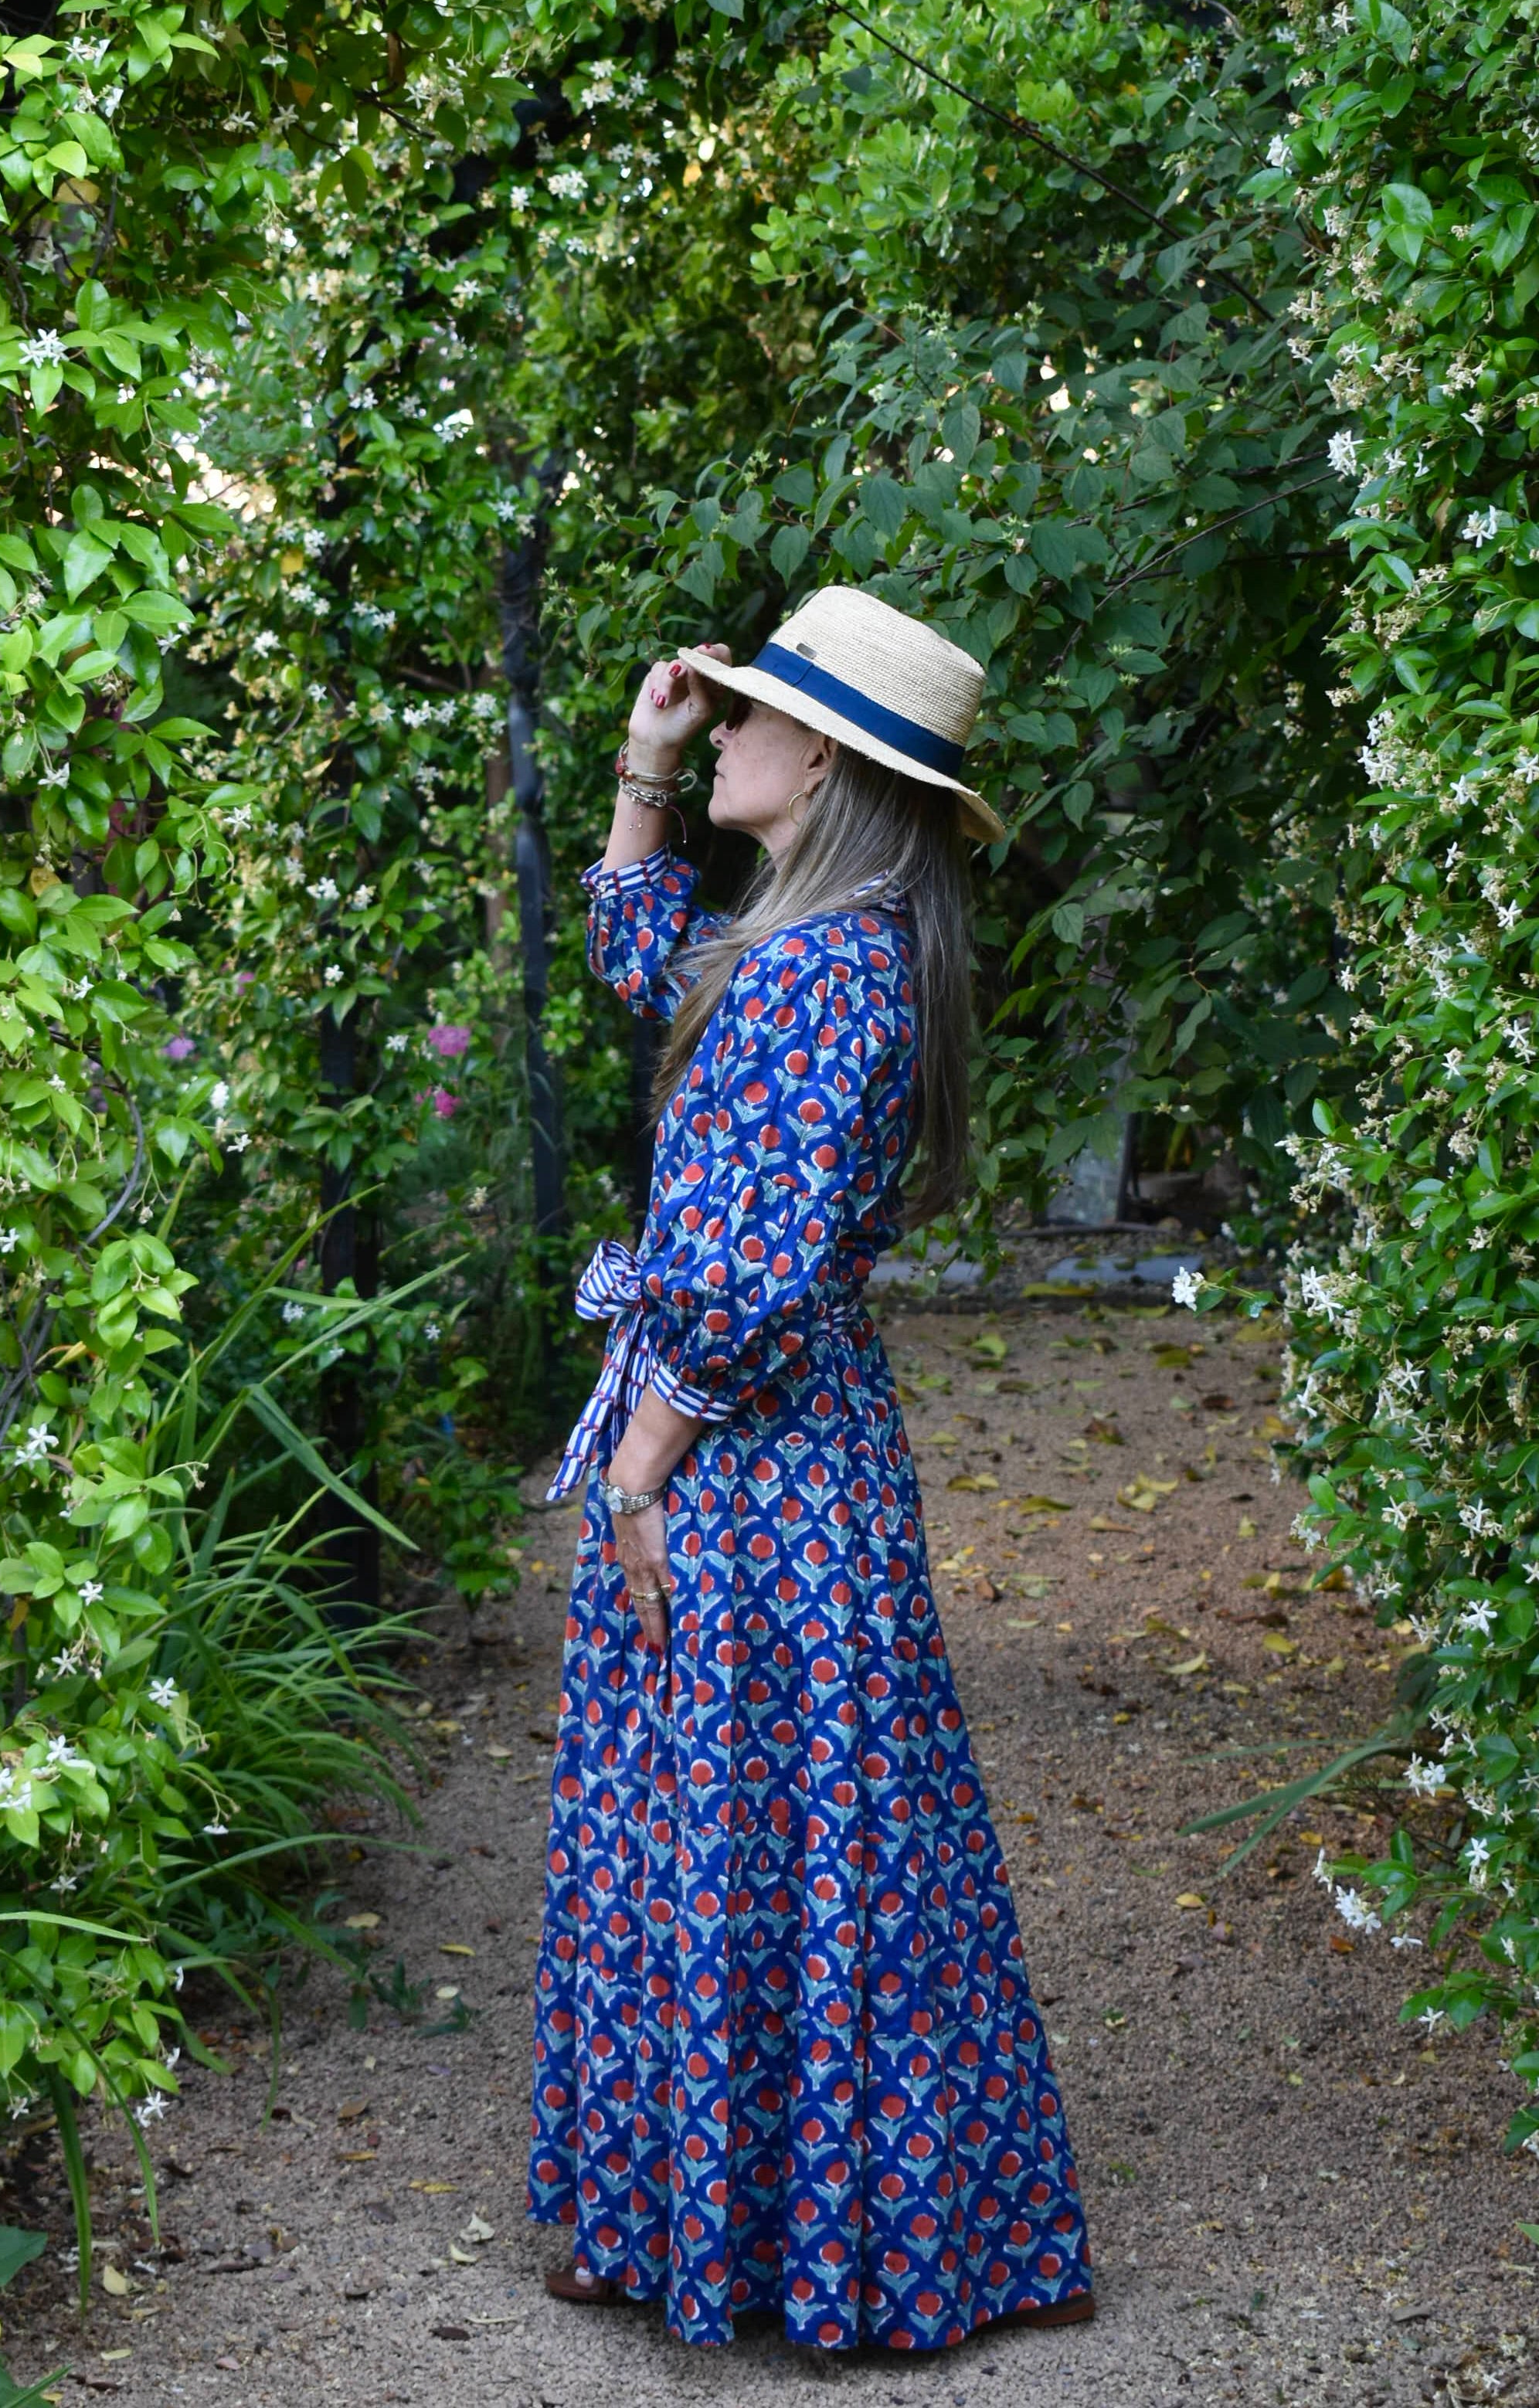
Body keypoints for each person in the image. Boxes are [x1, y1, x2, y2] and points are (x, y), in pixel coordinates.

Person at [525, 584, 1095, 2352]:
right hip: (783, 1465)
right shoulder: (806, 948)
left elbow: (751, 1285)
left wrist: (636, 1476)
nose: (727, 727)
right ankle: (723, 2221)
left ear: (829, 769)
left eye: (755, 714)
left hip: (751, 1476)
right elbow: (643, 956)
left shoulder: (823, 983)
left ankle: (791, 2243)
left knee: (752, 1837)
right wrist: (647, 760)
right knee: (778, 1837)